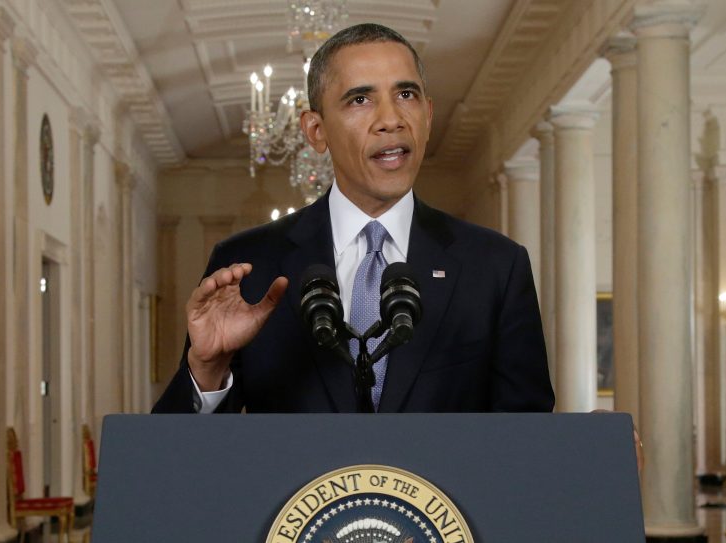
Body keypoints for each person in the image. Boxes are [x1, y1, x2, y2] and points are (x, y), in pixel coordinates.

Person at [152, 23, 554, 415]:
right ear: (315, 130)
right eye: (360, 99)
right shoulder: (249, 265)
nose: (391, 118)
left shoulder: (496, 266)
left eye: (406, 94)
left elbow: (527, 444)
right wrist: (206, 370)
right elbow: (176, 462)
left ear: (428, 116)